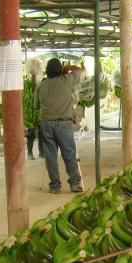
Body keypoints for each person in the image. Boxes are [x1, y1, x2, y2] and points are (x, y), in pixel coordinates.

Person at [35, 58, 84, 194]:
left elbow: (36, 106)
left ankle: (55, 186)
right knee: (69, 153)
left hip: (46, 123)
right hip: (64, 123)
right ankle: (74, 184)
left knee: (50, 156)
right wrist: (66, 68)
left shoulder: (41, 85)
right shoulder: (67, 80)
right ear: (60, 71)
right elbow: (79, 69)